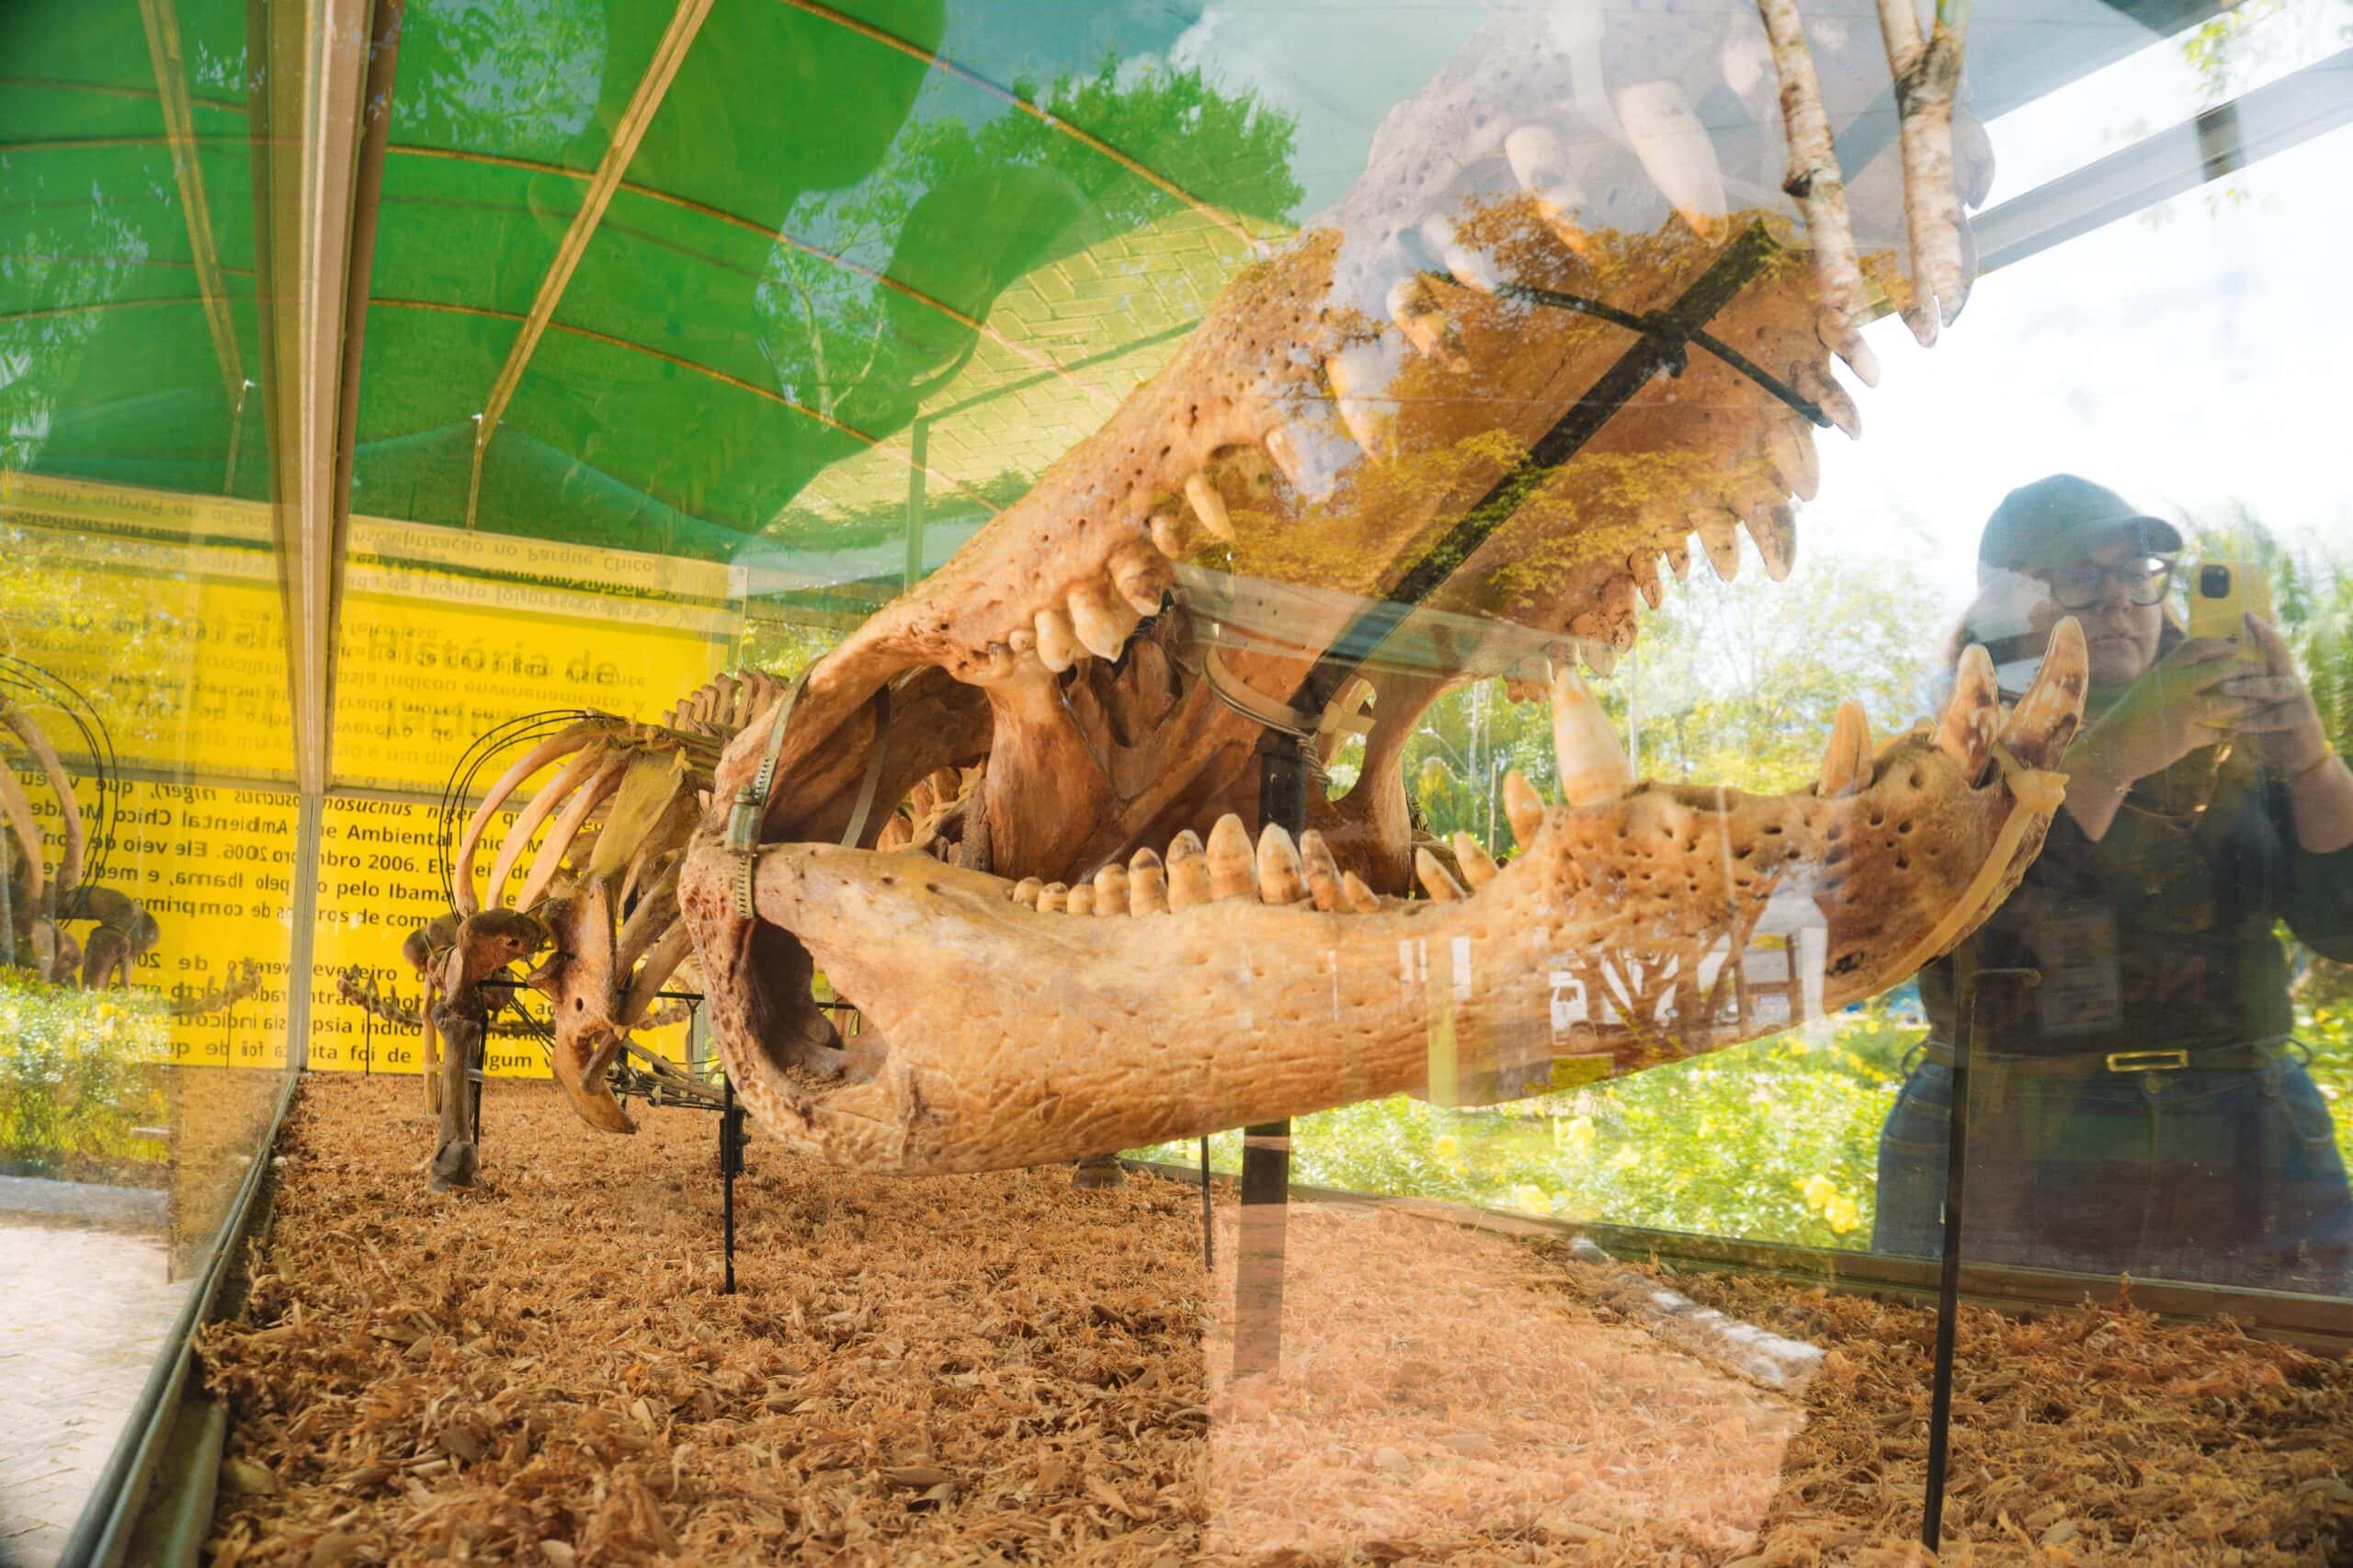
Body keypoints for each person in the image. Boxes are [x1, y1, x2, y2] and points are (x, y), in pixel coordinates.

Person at [1871, 474, 2353, 1294]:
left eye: (2136, 572)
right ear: (2006, 603)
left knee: (2291, 1375)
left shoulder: (2229, 733)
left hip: (2251, 1133)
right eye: (2079, 577)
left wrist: (2309, 758)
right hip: (2013, 1135)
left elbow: (2341, 927)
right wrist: (2116, 755)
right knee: (1983, 1372)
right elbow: (1980, 935)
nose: (2119, 600)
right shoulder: (1942, 756)